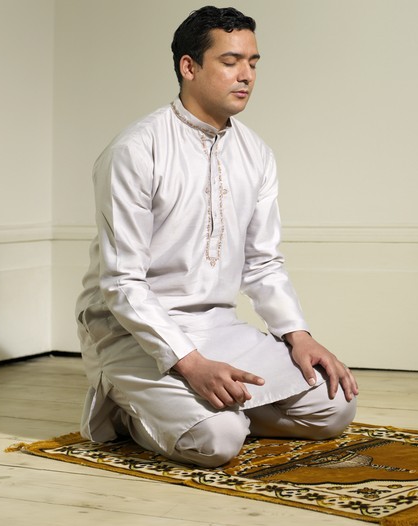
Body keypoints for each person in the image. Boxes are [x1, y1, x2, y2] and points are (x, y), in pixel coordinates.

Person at [75, 6, 358, 468]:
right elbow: (122, 282)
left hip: (218, 327)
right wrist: (190, 363)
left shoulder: (256, 153)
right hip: (129, 332)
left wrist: (299, 336)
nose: (246, 75)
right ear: (189, 67)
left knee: (334, 406)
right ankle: (124, 410)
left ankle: (211, 408)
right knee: (216, 441)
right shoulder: (135, 150)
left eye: (253, 62)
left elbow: (263, 262)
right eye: (230, 62)